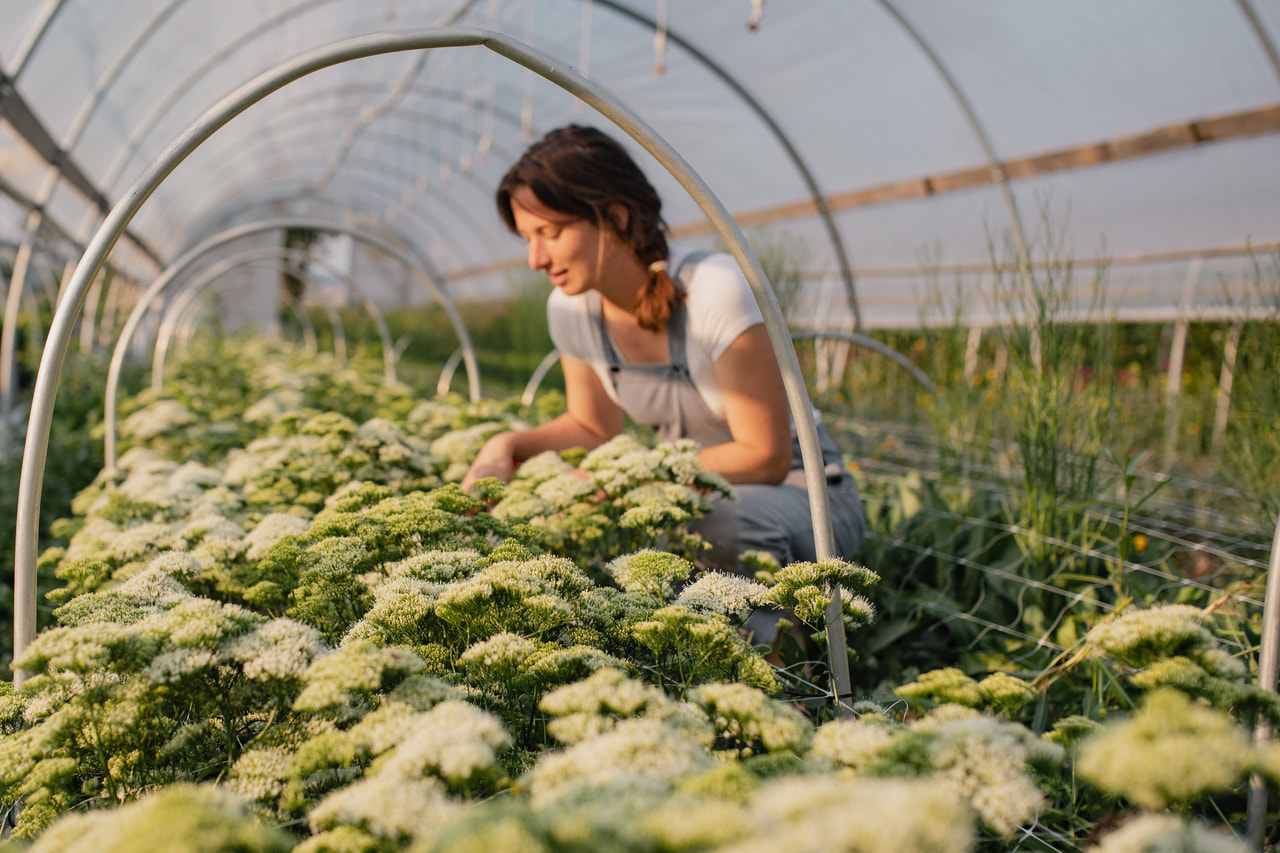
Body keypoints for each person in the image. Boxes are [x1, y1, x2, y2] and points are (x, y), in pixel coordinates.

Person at [462, 124, 864, 582]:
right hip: (697, 494)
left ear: (615, 218)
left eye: (550, 233)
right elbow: (593, 428)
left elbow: (764, 456)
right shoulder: (571, 308)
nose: (535, 259)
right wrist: (506, 447)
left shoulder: (715, 288)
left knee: (713, 524)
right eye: (526, 237)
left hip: (802, 492)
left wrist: (614, 482)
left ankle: (787, 653)